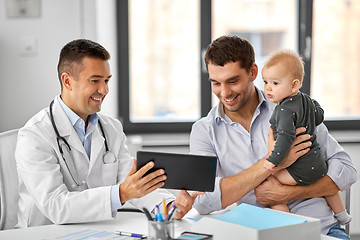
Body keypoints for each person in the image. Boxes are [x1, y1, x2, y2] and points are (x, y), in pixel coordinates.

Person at [188, 36, 356, 239]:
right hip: (255, 234)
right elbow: (203, 201)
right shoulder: (204, 131)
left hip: (319, 230)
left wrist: (289, 193)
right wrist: (271, 162)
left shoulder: (291, 107)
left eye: (233, 81)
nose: (225, 93)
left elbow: (347, 170)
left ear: (252, 72)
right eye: (216, 83)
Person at [15, 39, 196, 228]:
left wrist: (169, 207)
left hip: (98, 230)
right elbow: (56, 206)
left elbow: (132, 183)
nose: (104, 90)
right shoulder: (34, 135)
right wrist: (121, 194)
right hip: (44, 233)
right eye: (95, 81)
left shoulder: (111, 129)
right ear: (67, 81)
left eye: (107, 80)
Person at [261, 49, 351, 225]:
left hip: (299, 171)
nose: (268, 88)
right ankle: (341, 214)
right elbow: (319, 115)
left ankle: (287, 223)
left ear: (294, 85)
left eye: (275, 83)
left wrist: (273, 160)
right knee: (329, 188)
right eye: (265, 82)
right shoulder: (307, 100)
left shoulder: (283, 110)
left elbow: (286, 138)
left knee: (272, 185)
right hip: (317, 163)